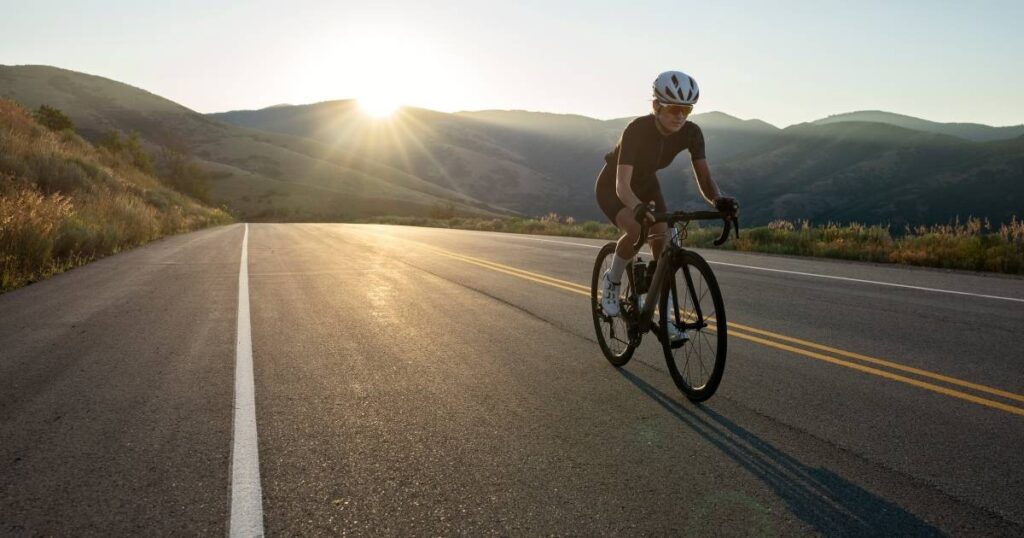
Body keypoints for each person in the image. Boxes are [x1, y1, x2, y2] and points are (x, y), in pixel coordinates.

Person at [594, 70, 737, 333]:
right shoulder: (636, 130)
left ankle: (666, 318)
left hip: (647, 185)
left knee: (665, 247)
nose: (680, 115)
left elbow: (705, 177)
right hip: (613, 186)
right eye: (673, 108)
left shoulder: (692, 133)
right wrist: (636, 208)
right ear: (656, 106)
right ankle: (612, 281)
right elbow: (621, 185)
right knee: (638, 230)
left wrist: (718, 200)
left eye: (687, 109)